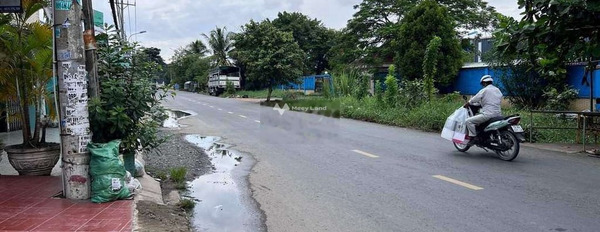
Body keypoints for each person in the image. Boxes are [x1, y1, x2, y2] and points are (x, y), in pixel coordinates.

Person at [464, 75, 503, 145]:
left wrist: (468, 103)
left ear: (484, 83)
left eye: (482, 84)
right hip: (498, 114)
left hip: (488, 114)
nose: (482, 85)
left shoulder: (485, 90)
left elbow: (475, 98)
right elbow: (491, 100)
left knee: (468, 121)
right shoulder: (497, 90)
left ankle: (474, 137)